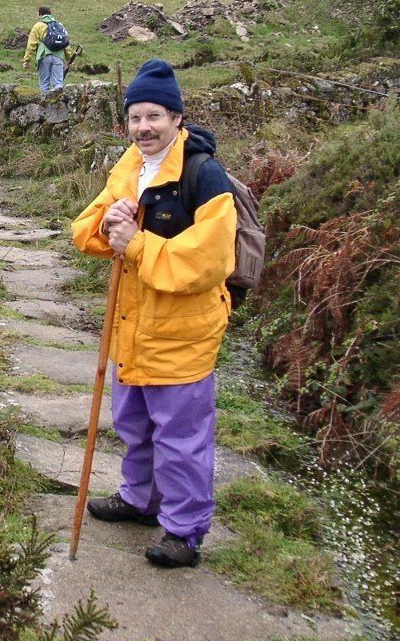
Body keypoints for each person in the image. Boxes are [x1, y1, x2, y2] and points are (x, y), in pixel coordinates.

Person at [71, 58, 237, 569]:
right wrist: (109, 221)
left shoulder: (204, 175)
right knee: (135, 425)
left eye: (154, 116)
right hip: (131, 328)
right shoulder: (129, 167)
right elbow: (84, 233)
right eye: (135, 117)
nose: (144, 127)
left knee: (181, 439)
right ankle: (140, 499)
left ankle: (184, 532)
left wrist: (137, 244)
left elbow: (210, 261)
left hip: (183, 334)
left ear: (177, 118)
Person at [22, 6, 68, 95]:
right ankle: (58, 101)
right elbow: (65, 42)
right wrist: (69, 58)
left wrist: (26, 60)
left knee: (44, 83)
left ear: (40, 14)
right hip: (59, 56)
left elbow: (31, 44)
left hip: (44, 55)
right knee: (58, 82)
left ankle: (44, 100)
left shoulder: (38, 26)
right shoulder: (59, 25)